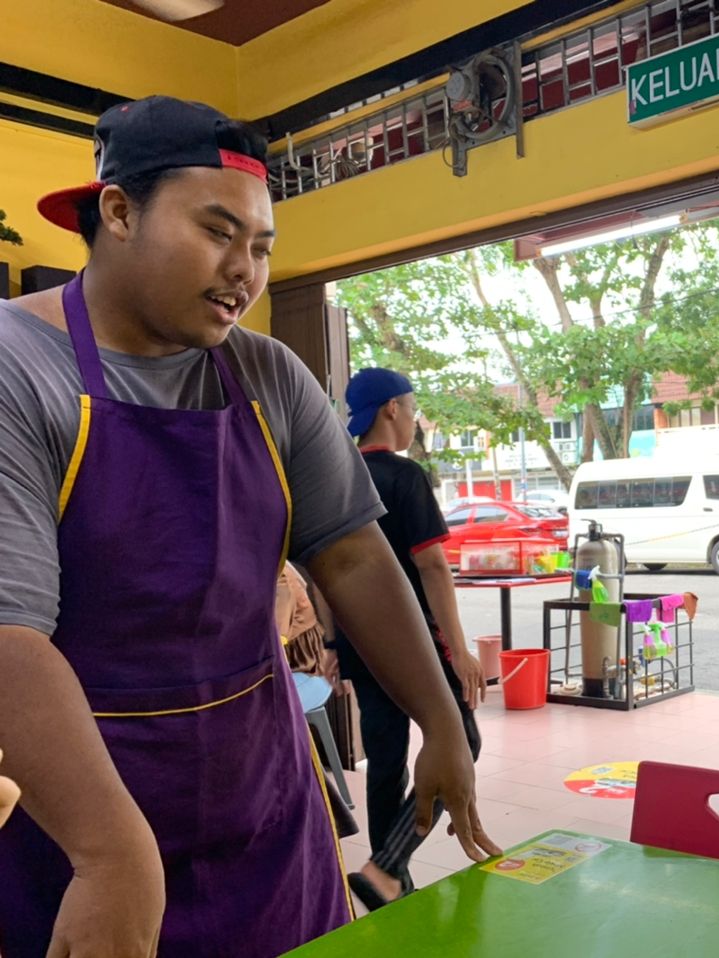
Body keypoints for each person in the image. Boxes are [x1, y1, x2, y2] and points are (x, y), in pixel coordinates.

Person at [0, 96, 498, 958]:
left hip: (261, 807)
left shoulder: (267, 375)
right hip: (77, 816)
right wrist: (110, 855)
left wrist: (443, 720)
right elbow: (8, 637)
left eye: (262, 246)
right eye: (217, 231)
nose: (245, 270)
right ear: (118, 211)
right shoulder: (18, 370)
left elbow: (351, 556)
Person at [334, 368, 488, 913]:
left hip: (360, 643)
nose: (414, 417)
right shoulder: (405, 476)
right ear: (393, 409)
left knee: (386, 757)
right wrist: (461, 650)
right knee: (461, 742)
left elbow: (326, 569)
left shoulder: (339, 474)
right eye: (412, 406)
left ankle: (387, 881)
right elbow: (433, 569)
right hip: (416, 643)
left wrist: (333, 646)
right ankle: (389, 864)